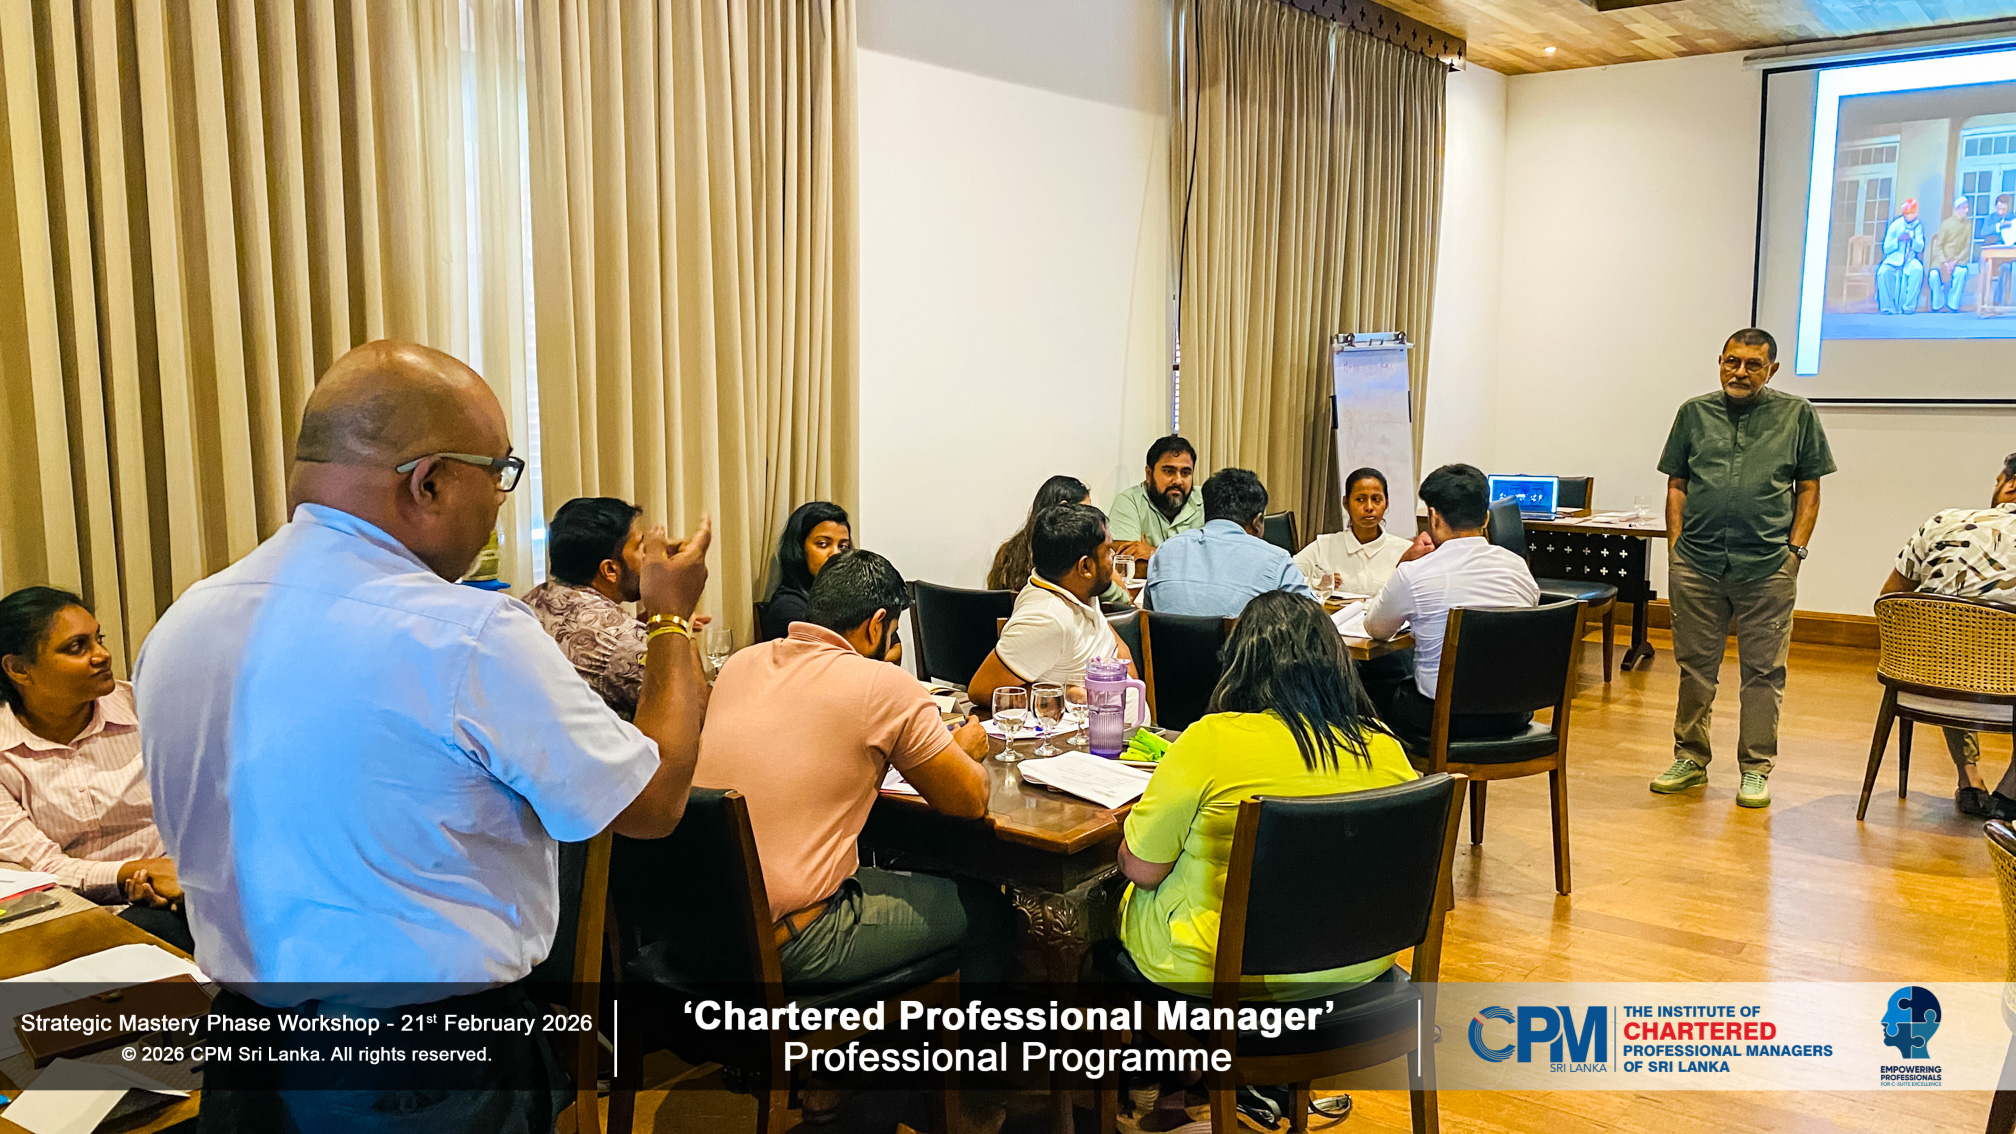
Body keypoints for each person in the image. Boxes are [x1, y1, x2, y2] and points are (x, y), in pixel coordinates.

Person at [134, 340, 712, 1133]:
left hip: (249, 1052)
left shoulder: (183, 622)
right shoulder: (466, 635)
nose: (501, 501)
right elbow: (653, 802)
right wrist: (670, 618)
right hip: (424, 1067)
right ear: (429, 481)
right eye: (500, 473)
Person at [1115, 590, 1416, 1129]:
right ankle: (1230, 1087)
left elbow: (1140, 867)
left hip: (1226, 978)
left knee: (1111, 906)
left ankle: (1158, 1085)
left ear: (1240, 663)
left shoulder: (1211, 740)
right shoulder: (1384, 746)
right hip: (1357, 965)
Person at [692, 550, 1010, 984]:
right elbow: (969, 801)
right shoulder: (882, 685)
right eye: (892, 634)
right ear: (876, 624)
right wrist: (963, 750)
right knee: (989, 911)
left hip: (700, 928)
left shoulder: (740, 663)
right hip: (790, 940)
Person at [1651, 328, 1835, 809]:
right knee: (1695, 669)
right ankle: (1690, 759)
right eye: (1732, 362)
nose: (1740, 372)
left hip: (1767, 565)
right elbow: (1677, 484)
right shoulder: (1693, 413)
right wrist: (1675, 548)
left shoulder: (1797, 415)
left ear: (1772, 370)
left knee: (1764, 672)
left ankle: (1755, 768)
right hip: (1697, 562)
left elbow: (1809, 489)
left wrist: (1794, 553)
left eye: (1753, 365)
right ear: (1720, 361)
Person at [0, 587, 189, 953]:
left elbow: (208, 810)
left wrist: (176, 874)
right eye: (77, 647)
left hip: (179, 894)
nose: (102, 655)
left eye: (98, 639)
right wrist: (131, 874)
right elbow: (40, 867)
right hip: (64, 917)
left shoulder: (148, 708)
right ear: (19, 669)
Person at [1363, 464, 1541, 749]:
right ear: (1486, 518)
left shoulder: (1415, 572)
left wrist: (1402, 566)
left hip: (1441, 717)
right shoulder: (1517, 567)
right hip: (1515, 712)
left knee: (1366, 680)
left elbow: (1376, 628)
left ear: (1433, 517)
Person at [1880, 452, 2016, 818]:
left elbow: (1890, 599)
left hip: (1931, 686)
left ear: (2011, 484)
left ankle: (1969, 778)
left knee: (1948, 647)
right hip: (2010, 695)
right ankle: (2010, 794)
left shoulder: (1942, 523)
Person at [968, 503, 1134, 704]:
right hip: (1093, 723)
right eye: (1108, 551)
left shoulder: (1079, 588)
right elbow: (981, 690)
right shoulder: (1047, 619)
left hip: (1129, 718)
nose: (1113, 556)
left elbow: (1114, 645)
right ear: (1085, 566)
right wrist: (1063, 695)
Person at [523, 497, 649, 716]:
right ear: (610, 570)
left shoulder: (531, 601)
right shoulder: (621, 638)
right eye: (640, 548)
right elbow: (694, 714)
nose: (650, 557)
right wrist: (676, 618)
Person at [1145, 468, 1316, 617]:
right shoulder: (1277, 561)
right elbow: (1315, 624)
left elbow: (1148, 617)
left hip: (1168, 646)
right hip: (1242, 646)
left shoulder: (1165, 551)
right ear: (1257, 522)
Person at [989, 475, 1131, 605]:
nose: (1090, 518)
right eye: (1084, 511)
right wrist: (1103, 567)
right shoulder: (1072, 564)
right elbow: (1124, 601)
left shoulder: (1007, 552)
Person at [1292, 467, 1412, 597]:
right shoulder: (1323, 546)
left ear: (1386, 503)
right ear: (1346, 503)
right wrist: (1317, 584)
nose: (1369, 507)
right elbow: (1285, 577)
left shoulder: (1405, 551)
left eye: (1376, 499)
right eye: (1360, 499)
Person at [760, 502, 851, 642]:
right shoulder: (789, 609)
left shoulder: (849, 596)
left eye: (843, 546)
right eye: (823, 544)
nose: (836, 554)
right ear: (799, 548)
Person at [1109, 435, 1203, 560]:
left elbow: (1217, 558)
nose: (1178, 480)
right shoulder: (1129, 502)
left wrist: (1154, 552)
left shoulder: (1206, 499)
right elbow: (1128, 564)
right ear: (1149, 474)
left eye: (1185, 473)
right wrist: (1192, 556)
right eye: (1169, 471)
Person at [1877, 198, 1926, 315]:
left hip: (1909, 259)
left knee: (1917, 269)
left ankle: (1909, 306)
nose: (1911, 215)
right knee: (1883, 272)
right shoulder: (1895, 225)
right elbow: (1886, 248)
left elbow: (1920, 247)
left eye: (1913, 213)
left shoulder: (1918, 226)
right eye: (1908, 213)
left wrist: (1912, 240)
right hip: (1893, 259)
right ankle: (1887, 307)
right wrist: (1898, 240)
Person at [1931, 197, 1974, 313]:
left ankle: (1952, 305)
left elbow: (1966, 246)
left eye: (1967, 208)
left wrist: (1955, 261)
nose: (1966, 210)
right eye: (1964, 208)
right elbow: (1938, 246)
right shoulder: (1946, 224)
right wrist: (1945, 262)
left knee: (1961, 272)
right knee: (1934, 275)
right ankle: (1938, 305)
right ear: (1957, 209)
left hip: (1958, 260)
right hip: (1943, 260)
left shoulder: (1968, 225)